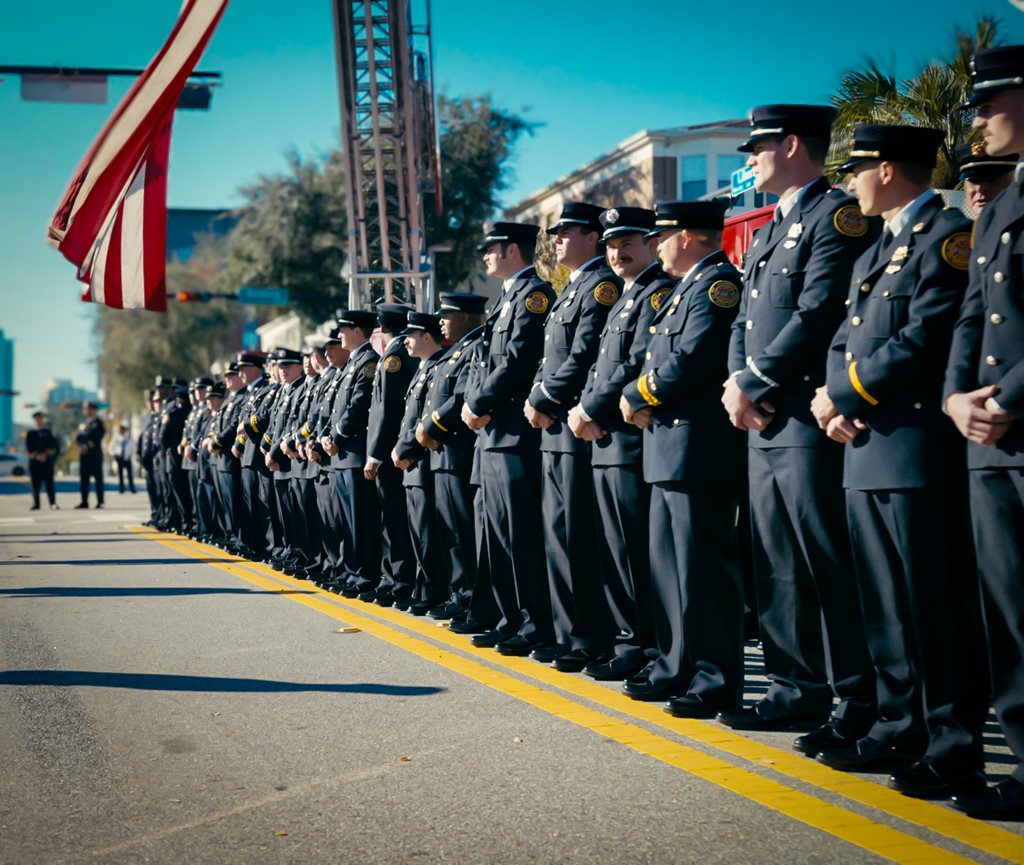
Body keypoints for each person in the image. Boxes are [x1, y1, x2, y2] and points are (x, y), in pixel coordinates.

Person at [811, 123, 986, 798]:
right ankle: (896, 723)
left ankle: (952, 741)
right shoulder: (877, 251)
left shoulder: (946, 236)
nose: (851, 182)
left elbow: (925, 336)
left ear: (887, 169)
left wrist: (850, 392)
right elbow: (842, 338)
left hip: (914, 451)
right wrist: (834, 398)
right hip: (865, 447)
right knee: (883, 604)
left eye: (857, 169)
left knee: (932, 605)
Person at [718, 105, 878, 756]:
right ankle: (794, 687)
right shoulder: (767, 232)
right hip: (761, 420)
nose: (748, 159)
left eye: (756, 147)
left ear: (790, 145)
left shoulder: (835, 216)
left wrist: (750, 380)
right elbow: (741, 323)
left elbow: (816, 314)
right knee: (777, 563)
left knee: (827, 564)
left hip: (806, 420)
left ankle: (859, 699)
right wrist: (738, 388)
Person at [617, 199, 746, 715]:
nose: (656, 245)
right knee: (670, 569)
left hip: (698, 447)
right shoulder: (684, 289)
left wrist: (637, 394)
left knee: (703, 571)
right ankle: (676, 667)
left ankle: (715, 678)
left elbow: (690, 361)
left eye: (661, 236)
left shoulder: (717, 284)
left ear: (688, 236)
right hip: (669, 447)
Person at [944, 44, 1024, 819]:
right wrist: (953, 399)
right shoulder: (999, 204)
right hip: (988, 438)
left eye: (990, 102)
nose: (977, 121)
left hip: (1013, 420)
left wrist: (1003, 396)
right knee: (1009, 611)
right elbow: (975, 313)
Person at [569, 206, 677, 680]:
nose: (618, 251)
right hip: (606, 438)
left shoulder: (656, 293)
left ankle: (646, 645)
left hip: (630, 439)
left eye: (629, 241)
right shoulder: (627, 297)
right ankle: (628, 639)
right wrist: (587, 411)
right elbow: (599, 367)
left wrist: (589, 408)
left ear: (652, 243)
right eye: (611, 243)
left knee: (638, 552)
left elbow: (632, 365)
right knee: (616, 550)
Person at [525, 202, 622, 670]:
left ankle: (589, 637)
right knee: (558, 535)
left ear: (592, 236)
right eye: (556, 233)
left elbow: (583, 357)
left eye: (567, 232)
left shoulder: (601, 286)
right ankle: (568, 634)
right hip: (555, 427)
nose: (558, 240)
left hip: (575, 426)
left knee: (579, 536)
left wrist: (543, 399)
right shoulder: (571, 288)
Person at [462, 222, 557, 655]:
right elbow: (485, 364)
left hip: (515, 435)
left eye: (491, 249)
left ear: (513, 250)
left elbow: (518, 361)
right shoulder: (507, 298)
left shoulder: (534, 296)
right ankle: (510, 618)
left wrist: (477, 402)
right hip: (493, 435)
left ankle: (536, 624)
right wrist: (474, 402)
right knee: (496, 536)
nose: (485, 256)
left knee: (521, 536)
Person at [416, 292, 488, 622]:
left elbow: (461, 396)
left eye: (447, 314)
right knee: (453, 534)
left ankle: (475, 599)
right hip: (443, 453)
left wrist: (431, 426)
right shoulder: (455, 351)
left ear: (464, 317)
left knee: (465, 532)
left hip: (459, 451)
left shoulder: (474, 346)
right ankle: (462, 594)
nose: (441, 320)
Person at [321, 310, 381, 596]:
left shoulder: (368, 362)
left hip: (354, 451)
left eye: (344, 329)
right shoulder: (350, 364)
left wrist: (336, 437)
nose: (340, 335)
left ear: (358, 331)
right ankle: (353, 571)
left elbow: (357, 407)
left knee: (362, 520)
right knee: (348, 520)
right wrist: (327, 438)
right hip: (342, 454)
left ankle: (366, 574)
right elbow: (335, 410)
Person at [393, 312, 448, 613]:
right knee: (418, 532)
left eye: (411, 335)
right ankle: (424, 587)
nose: (406, 341)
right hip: (411, 463)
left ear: (427, 336)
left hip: (424, 459)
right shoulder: (421, 368)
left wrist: (405, 448)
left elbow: (427, 419)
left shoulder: (439, 366)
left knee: (430, 534)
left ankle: (435, 592)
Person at [364, 304, 419, 605]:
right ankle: (392, 578)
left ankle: (400, 581)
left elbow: (388, 411)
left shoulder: (394, 356)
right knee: (392, 520)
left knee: (395, 520)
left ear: (382, 327)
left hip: (389, 454)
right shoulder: (395, 351)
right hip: (392, 451)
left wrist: (375, 454)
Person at [955, 141, 1017, 217]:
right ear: (965, 186)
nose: (981, 188)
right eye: (973, 180)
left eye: (992, 179)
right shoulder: (964, 228)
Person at [26, 410, 59, 510]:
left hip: (46, 462)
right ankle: (36, 504)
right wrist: (37, 456)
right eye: (37, 419)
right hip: (35, 462)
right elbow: (29, 447)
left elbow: (53, 446)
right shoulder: (30, 433)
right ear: (34, 420)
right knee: (35, 484)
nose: (39, 420)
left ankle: (52, 503)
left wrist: (45, 455)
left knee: (49, 483)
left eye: (41, 418)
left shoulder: (47, 432)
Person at [75, 401, 105, 509]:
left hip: (94, 454)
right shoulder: (83, 422)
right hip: (84, 455)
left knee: (98, 479)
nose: (85, 411)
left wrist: (86, 444)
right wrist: (81, 445)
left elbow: (97, 436)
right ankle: (84, 501)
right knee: (84, 479)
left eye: (87, 408)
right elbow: (78, 437)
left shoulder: (98, 422)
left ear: (93, 410)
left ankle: (100, 501)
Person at [109, 423, 135, 494]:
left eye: (123, 431)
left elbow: (133, 449)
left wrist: (131, 455)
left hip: (127, 458)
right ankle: (121, 489)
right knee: (120, 475)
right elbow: (110, 447)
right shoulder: (116, 439)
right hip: (119, 458)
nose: (122, 432)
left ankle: (132, 488)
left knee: (130, 475)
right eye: (121, 431)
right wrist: (114, 454)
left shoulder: (129, 439)